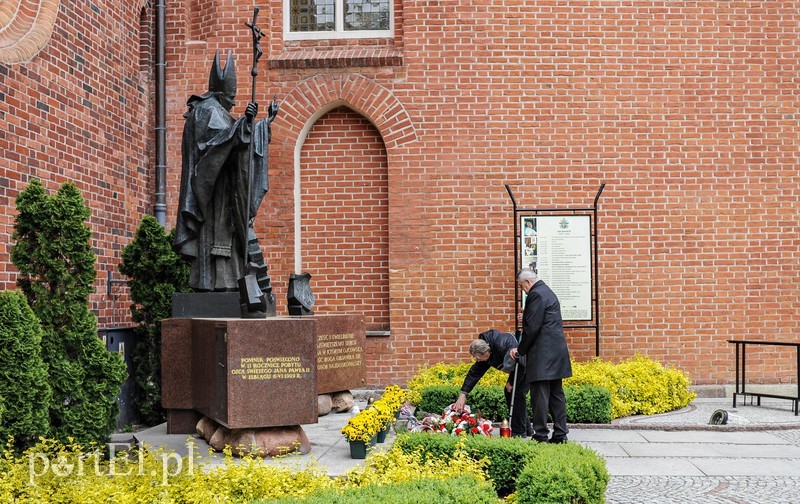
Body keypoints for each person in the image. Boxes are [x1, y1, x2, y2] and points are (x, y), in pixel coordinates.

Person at [174, 51, 278, 292]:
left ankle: (226, 283)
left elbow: (232, 139)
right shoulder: (207, 110)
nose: (233, 103)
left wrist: (260, 124)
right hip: (213, 193)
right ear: (220, 94)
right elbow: (214, 146)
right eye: (231, 98)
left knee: (227, 236)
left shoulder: (215, 109)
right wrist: (244, 125)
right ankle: (217, 284)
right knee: (217, 236)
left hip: (221, 188)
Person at [510, 268, 572, 443]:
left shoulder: (535, 295)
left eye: (521, 286)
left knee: (540, 396)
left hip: (542, 355)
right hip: (556, 352)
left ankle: (541, 435)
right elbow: (542, 321)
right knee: (556, 394)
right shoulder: (547, 292)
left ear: (528, 282)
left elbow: (532, 329)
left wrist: (520, 350)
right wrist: (526, 317)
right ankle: (560, 434)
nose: (523, 290)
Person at [453, 329, 532, 437]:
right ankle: (526, 429)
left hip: (528, 364)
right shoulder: (486, 352)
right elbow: (474, 373)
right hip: (519, 367)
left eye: (478, 358)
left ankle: (519, 432)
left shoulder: (502, 344)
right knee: (512, 393)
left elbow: (521, 363)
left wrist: (511, 382)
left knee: (515, 393)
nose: (478, 360)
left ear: (485, 352)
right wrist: (463, 393)